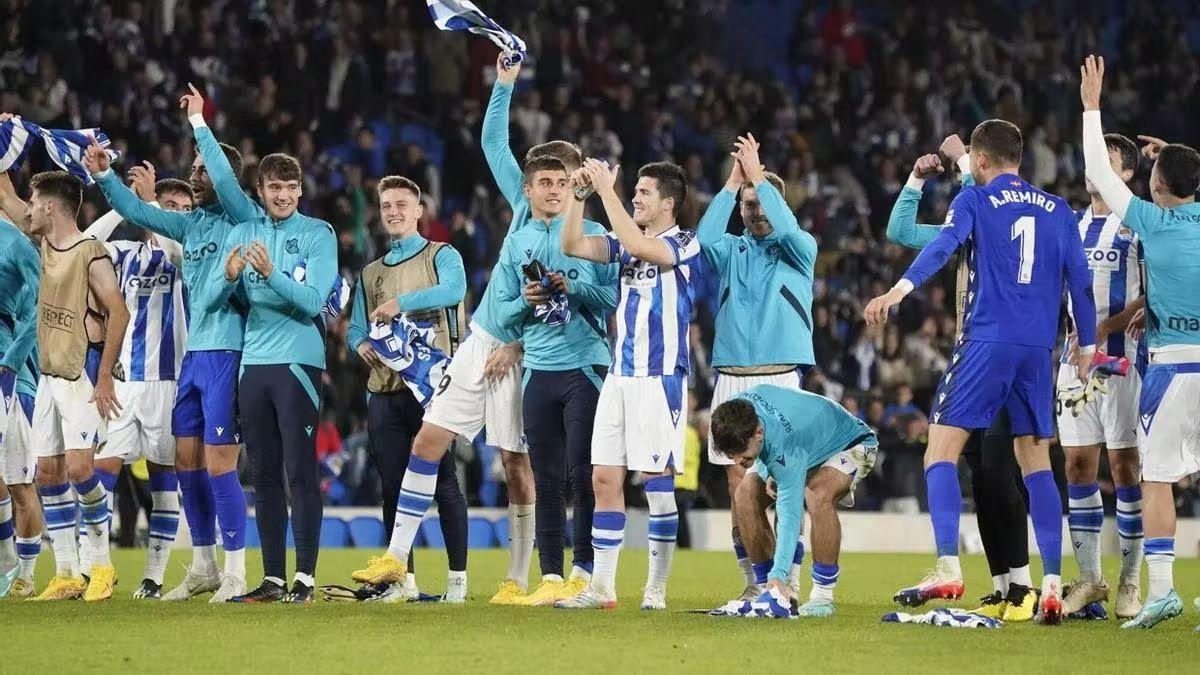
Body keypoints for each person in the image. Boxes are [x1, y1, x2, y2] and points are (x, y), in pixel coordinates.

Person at [349, 55, 579, 606]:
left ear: (575, 188)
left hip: (527, 354)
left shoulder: (579, 238)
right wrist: (503, 82)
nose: (550, 190)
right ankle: (394, 558)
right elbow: (493, 147)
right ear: (530, 188)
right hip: (479, 342)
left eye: (561, 182)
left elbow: (572, 309)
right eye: (543, 181)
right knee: (428, 441)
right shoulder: (523, 210)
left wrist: (517, 343)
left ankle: (518, 577)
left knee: (515, 463)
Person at [865, 117, 1097, 624]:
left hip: (985, 341)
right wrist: (1087, 346)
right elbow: (1080, 280)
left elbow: (943, 245)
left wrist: (897, 292)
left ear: (981, 161)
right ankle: (1051, 584)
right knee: (1035, 463)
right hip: (1039, 350)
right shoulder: (1059, 210)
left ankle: (949, 566)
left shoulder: (974, 203)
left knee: (940, 451)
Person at [87, 84, 255, 602]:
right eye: (197, 168)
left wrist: (201, 124)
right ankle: (202, 564)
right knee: (185, 463)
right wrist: (103, 175)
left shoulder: (243, 217)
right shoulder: (191, 224)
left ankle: (236, 571)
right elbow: (141, 214)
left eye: (203, 170)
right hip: (191, 361)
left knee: (220, 463)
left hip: (227, 352)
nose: (197, 175)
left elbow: (226, 180)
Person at [883, 140, 1037, 621]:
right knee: (982, 476)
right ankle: (1002, 586)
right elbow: (900, 230)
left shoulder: (1002, 221)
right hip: (973, 354)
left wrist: (959, 158)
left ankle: (1024, 584)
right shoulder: (966, 228)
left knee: (998, 472)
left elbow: (983, 190)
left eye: (975, 159)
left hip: (1003, 355)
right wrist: (915, 179)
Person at [1079, 54, 1200, 629]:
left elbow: (1103, 177)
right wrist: (1175, 158)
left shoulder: (1151, 221)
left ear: (1154, 185)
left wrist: (1091, 108)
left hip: (1172, 370)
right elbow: (1186, 179)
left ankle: (1162, 591)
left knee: (1156, 480)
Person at [554, 159, 699, 611]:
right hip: (620, 376)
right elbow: (572, 243)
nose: (635, 198)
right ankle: (602, 588)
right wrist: (580, 197)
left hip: (659, 378)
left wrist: (605, 191)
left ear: (668, 204)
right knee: (603, 478)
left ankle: (655, 589)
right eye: (632, 192)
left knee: (656, 483)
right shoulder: (623, 241)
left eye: (643, 193)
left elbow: (639, 244)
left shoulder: (685, 243)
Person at [210, 150, 338, 604]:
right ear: (260, 192)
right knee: (262, 474)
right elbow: (216, 298)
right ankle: (272, 580)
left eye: (290, 187)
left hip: (298, 363)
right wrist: (228, 277)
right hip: (253, 364)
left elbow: (312, 300)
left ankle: (304, 578)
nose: (282, 195)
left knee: (299, 470)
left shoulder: (319, 234)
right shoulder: (245, 231)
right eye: (273, 188)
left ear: (300, 190)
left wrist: (270, 273)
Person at [695, 133, 816, 601]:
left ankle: (790, 577)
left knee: (786, 479)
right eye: (748, 204)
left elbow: (786, 229)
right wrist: (731, 185)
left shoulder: (799, 248)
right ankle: (753, 579)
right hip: (731, 378)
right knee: (736, 484)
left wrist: (760, 177)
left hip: (781, 377)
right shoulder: (730, 251)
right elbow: (702, 240)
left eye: (762, 201)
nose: (756, 210)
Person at [347, 175, 470, 603]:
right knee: (392, 486)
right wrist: (359, 343)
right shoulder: (370, 272)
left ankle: (457, 583)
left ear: (420, 211)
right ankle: (404, 583)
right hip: (384, 389)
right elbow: (356, 326)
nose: (394, 212)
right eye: (386, 206)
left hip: (435, 390)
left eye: (402, 204)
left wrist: (401, 304)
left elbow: (456, 291)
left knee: (445, 486)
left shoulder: (443, 255)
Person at [84, 167, 193, 599]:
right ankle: (99, 566)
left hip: (172, 382)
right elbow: (86, 245)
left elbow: (174, 248)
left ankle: (153, 575)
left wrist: (149, 209)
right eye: (172, 208)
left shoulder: (189, 250)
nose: (179, 215)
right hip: (126, 383)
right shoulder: (127, 252)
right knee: (100, 473)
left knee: (164, 480)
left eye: (185, 209)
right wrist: (124, 202)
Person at [26, 171, 130, 601]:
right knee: (48, 473)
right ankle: (68, 571)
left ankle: (102, 565)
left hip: (80, 375)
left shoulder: (91, 253)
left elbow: (119, 313)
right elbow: (5, 197)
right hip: (48, 374)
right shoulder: (46, 244)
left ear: (51, 206)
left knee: (80, 469)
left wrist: (105, 376)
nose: (28, 208)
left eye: (34, 201)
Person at [1056, 131, 1146, 619]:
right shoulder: (1068, 224)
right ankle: (1091, 578)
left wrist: (1109, 325)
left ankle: (1131, 582)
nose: (1093, 164)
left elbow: (1158, 289)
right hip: (1074, 364)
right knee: (1076, 467)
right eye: (1091, 156)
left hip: (1125, 361)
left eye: (1106, 159)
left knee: (1126, 468)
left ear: (1127, 174)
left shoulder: (1137, 226)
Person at [709, 385, 878, 617]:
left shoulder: (786, 444)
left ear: (758, 433)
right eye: (732, 455)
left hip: (850, 442)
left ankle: (822, 596)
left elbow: (789, 516)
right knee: (744, 495)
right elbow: (764, 444)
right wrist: (768, 471)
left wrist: (780, 573)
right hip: (806, 441)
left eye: (742, 454)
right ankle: (770, 591)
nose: (738, 461)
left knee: (818, 495)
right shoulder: (735, 411)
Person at [0, 196, 42, 599]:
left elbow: (40, 308)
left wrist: (12, 362)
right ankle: (6, 560)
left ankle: (24, 573)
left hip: (10, 373)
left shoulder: (15, 243)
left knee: (19, 483)